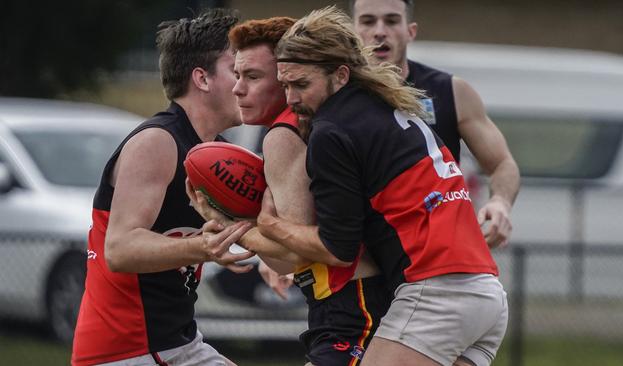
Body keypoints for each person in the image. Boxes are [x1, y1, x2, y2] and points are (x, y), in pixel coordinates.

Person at [250, 6, 509, 366]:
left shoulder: (332, 129)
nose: (291, 99)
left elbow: (336, 248)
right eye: (284, 85)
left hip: (437, 295)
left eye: (301, 85)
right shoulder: (385, 103)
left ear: (340, 74)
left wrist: (265, 225)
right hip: (486, 294)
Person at [187, 16, 391, 365]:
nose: (238, 89)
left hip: (349, 304)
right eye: (237, 76)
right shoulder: (325, 121)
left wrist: (227, 222)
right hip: (357, 298)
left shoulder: (284, 135)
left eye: (253, 77)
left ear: (285, 76)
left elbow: (293, 257)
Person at [71, 9, 253, 366]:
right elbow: (121, 249)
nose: (244, 83)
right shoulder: (158, 141)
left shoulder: (219, 152)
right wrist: (204, 246)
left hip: (177, 342)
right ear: (201, 78)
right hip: (129, 349)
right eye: (237, 70)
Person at [350, 0, 520, 248]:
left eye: (392, 20)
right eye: (367, 21)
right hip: (364, 255)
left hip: (437, 252)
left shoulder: (451, 91)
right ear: (351, 33)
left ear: (411, 31)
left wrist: (500, 203)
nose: (379, 31)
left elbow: (503, 163)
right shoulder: (334, 94)